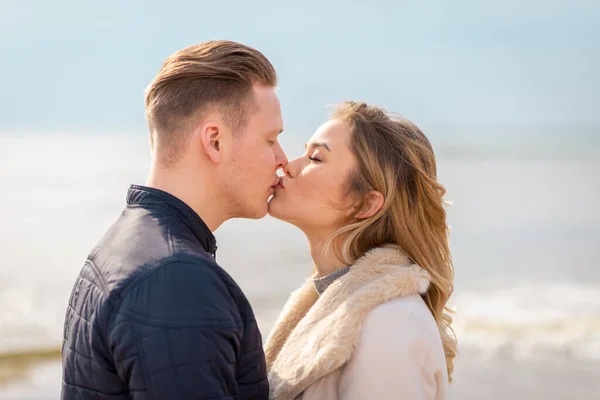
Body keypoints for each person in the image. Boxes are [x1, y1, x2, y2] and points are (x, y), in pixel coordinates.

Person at [61, 40, 287, 399]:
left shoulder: (123, 245)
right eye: (271, 139)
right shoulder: (177, 279)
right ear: (214, 141)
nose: (282, 159)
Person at [265, 101, 457, 399]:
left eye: (315, 158)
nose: (288, 166)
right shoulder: (331, 304)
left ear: (367, 204)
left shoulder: (392, 321)